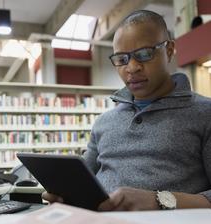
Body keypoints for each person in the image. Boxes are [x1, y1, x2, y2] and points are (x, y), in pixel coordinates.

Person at [42, 10, 211, 211]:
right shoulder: (104, 121)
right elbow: (83, 178)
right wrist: (64, 192)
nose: (132, 67)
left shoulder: (204, 113)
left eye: (144, 54)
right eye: (122, 59)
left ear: (169, 49)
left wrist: (159, 200)